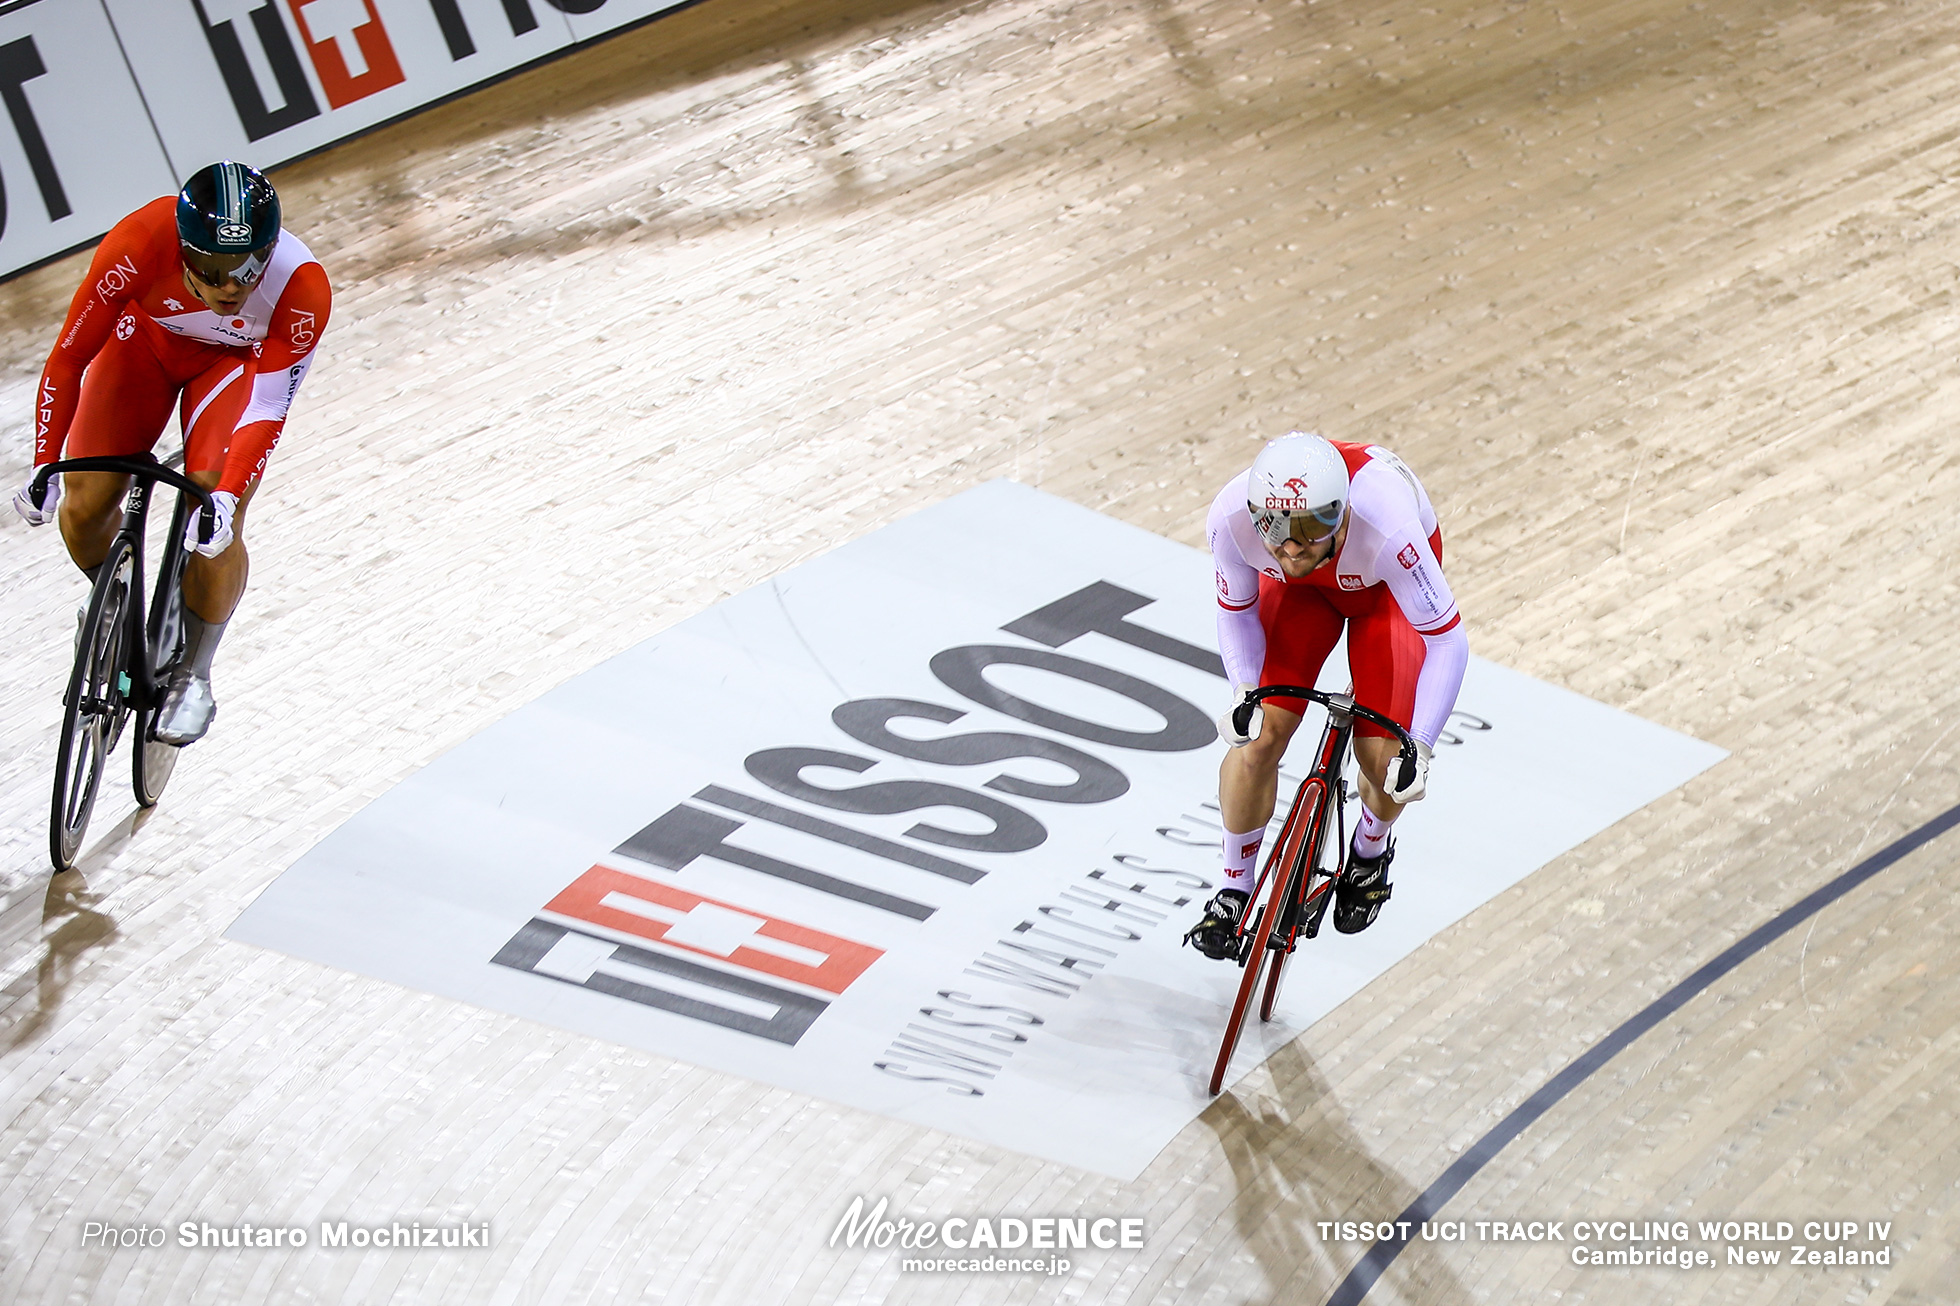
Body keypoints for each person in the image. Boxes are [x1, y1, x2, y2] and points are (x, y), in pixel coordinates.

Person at [13, 161, 331, 744]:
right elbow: (68, 359)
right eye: (213, 269)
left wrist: (229, 499)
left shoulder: (302, 288)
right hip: (145, 347)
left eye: (248, 266)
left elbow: (266, 410)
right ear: (183, 251)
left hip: (235, 367)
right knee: (83, 506)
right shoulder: (137, 242)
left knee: (211, 510)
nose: (232, 286)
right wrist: (43, 460)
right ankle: (112, 609)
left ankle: (195, 673)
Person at [1185, 432, 1468, 958]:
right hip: (1301, 598)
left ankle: (1369, 848)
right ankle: (1233, 888)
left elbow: (1447, 641)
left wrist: (1420, 747)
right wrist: (1245, 689)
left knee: (1385, 763)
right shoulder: (1230, 520)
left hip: (1386, 594)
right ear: (1255, 515)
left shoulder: (1388, 525)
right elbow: (1236, 610)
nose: (1292, 547)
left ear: (1341, 513)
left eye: (1312, 528)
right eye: (1275, 529)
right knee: (1257, 741)